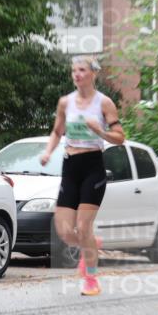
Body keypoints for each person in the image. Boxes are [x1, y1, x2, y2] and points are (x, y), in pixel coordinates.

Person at [39, 56, 125, 296]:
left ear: (93, 74)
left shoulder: (104, 103)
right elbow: (57, 132)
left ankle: (91, 279)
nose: (76, 74)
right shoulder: (65, 102)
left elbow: (120, 136)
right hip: (70, 166)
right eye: (73, 70)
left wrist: (99, 130)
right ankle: (90, 245)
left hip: (92, 166)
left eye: (82, 70)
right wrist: (48, 151)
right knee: (66, 231)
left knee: (83, 226)